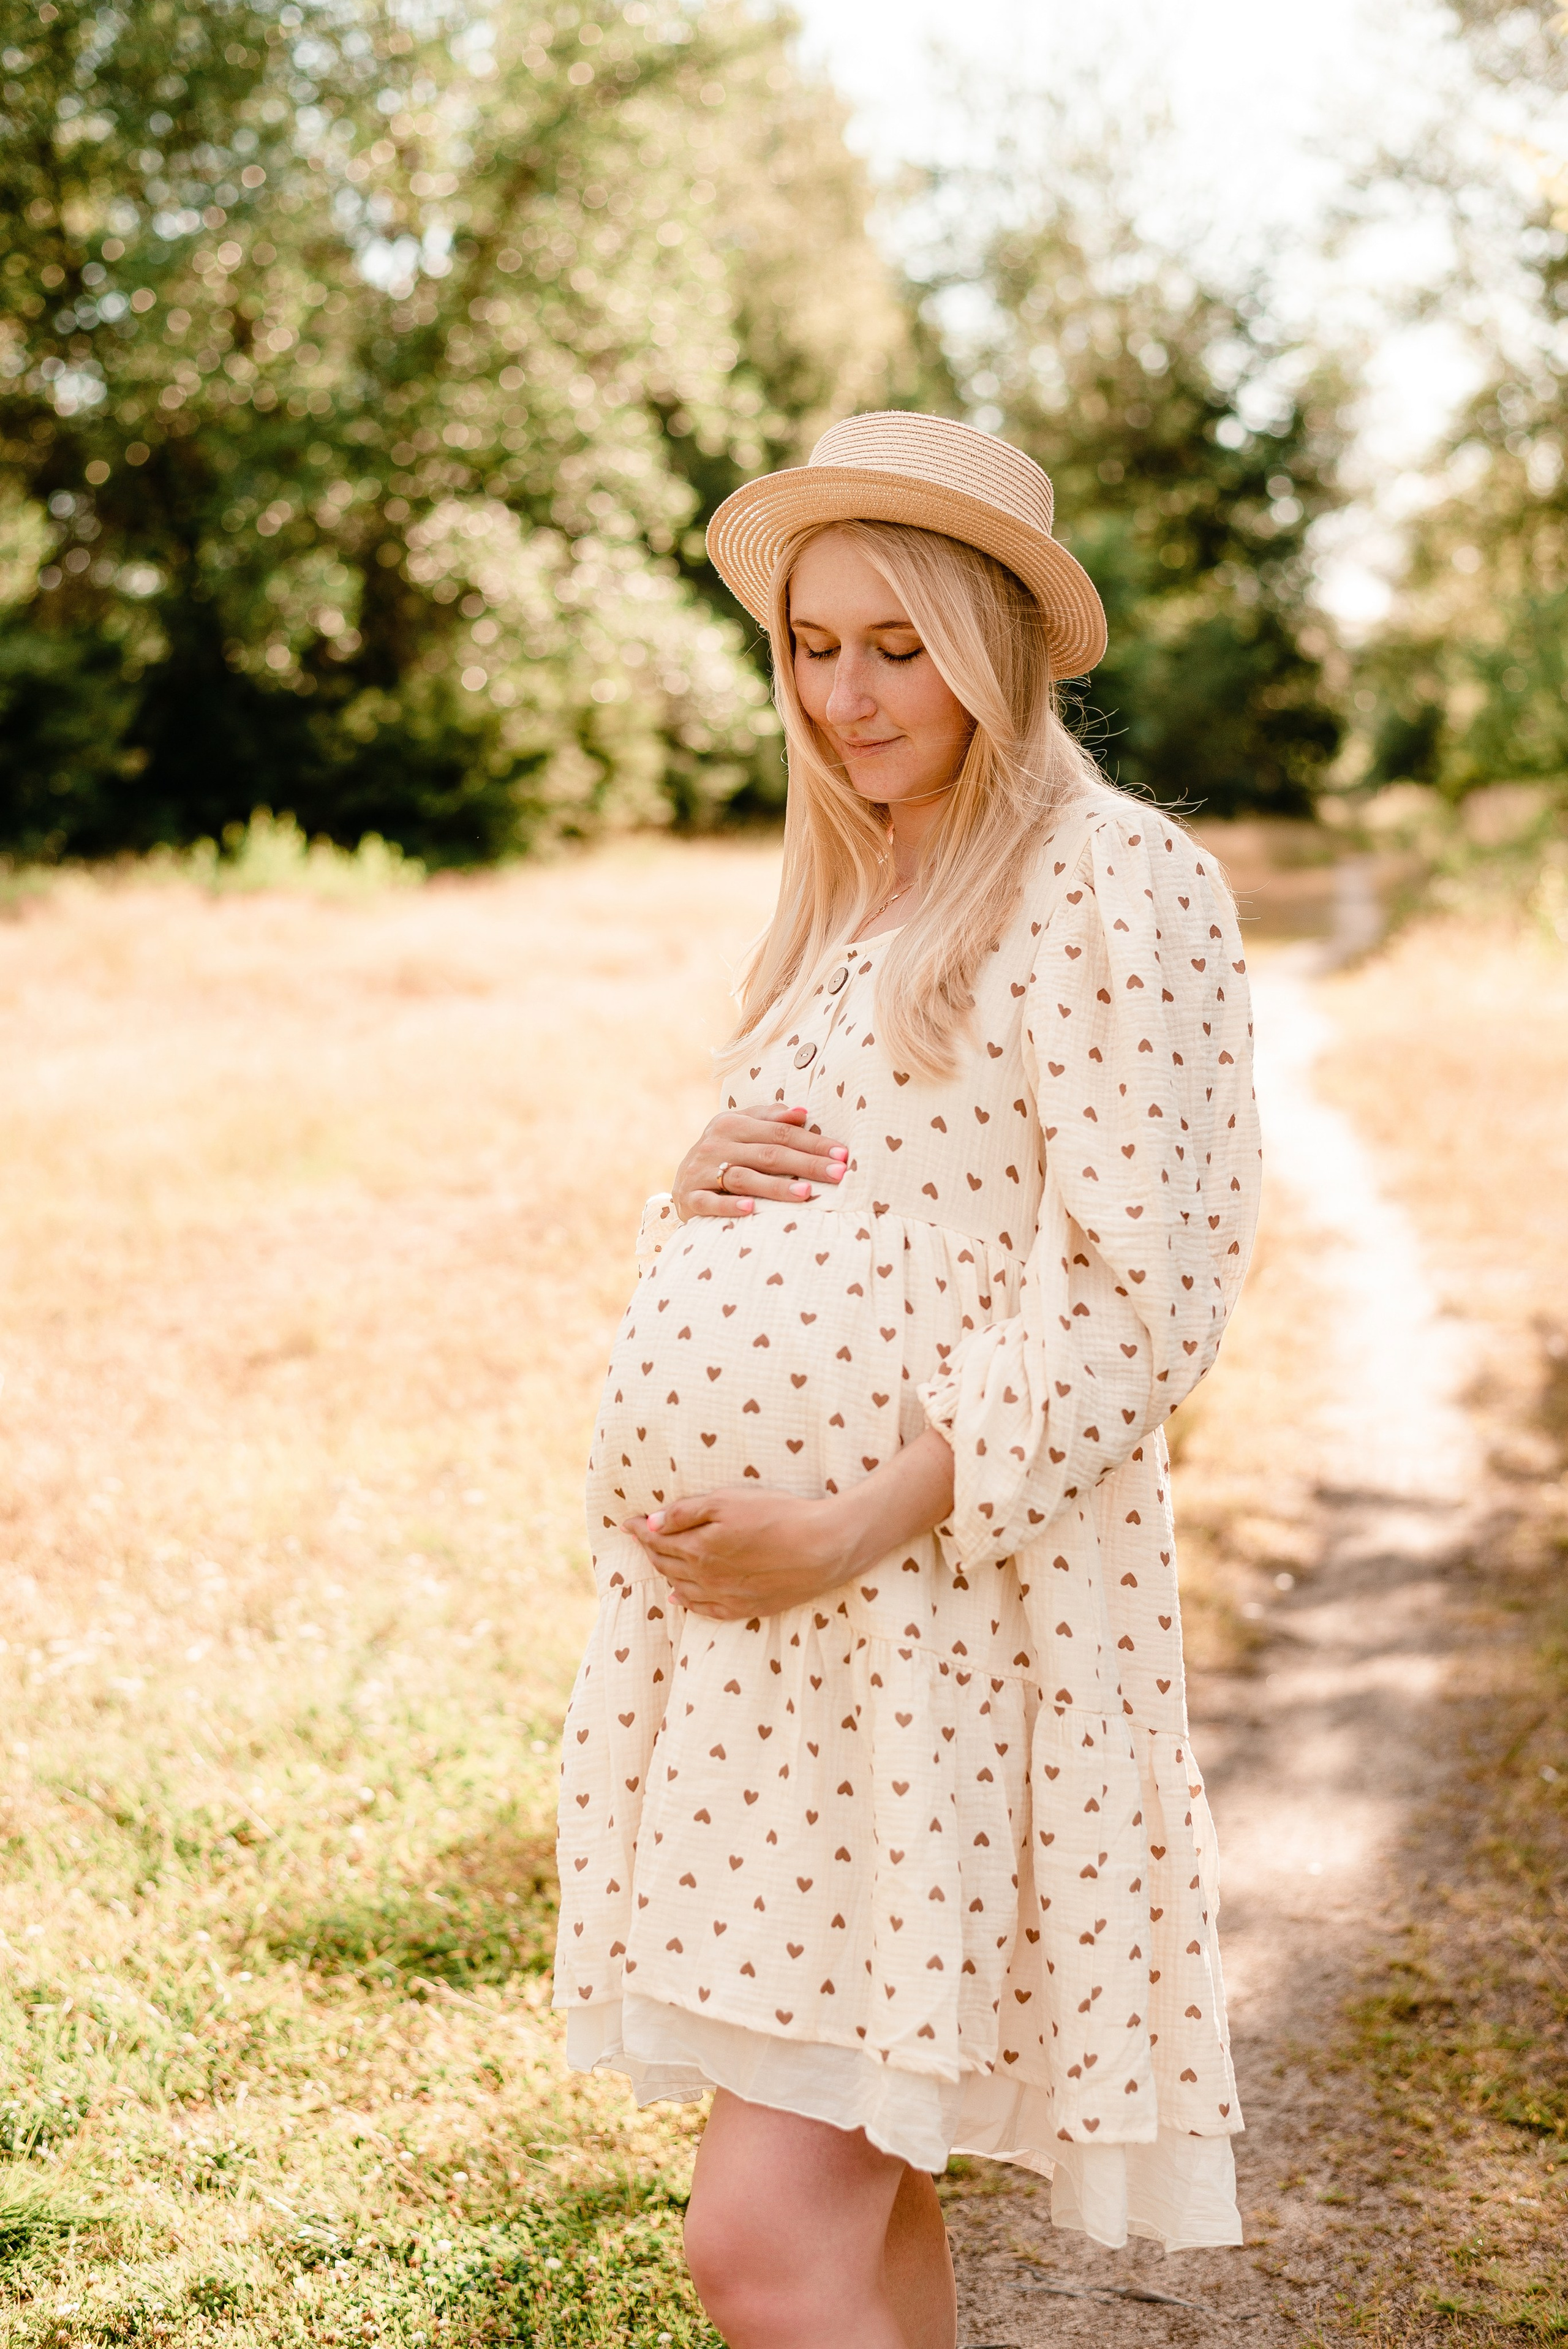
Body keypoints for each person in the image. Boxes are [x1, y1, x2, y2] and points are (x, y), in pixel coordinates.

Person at [554, 412, 1261, 2349]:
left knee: (761, 2247)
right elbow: (838, 1218)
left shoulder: (1119, 882)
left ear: (996, 645)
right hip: (784, 1671)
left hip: (948, 1625)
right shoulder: (848, 895)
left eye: (896, 643)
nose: (848, 693)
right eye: (810, 643)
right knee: (866, 2229)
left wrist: (852, 1517)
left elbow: (1153, 1295)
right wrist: (682, 1190)